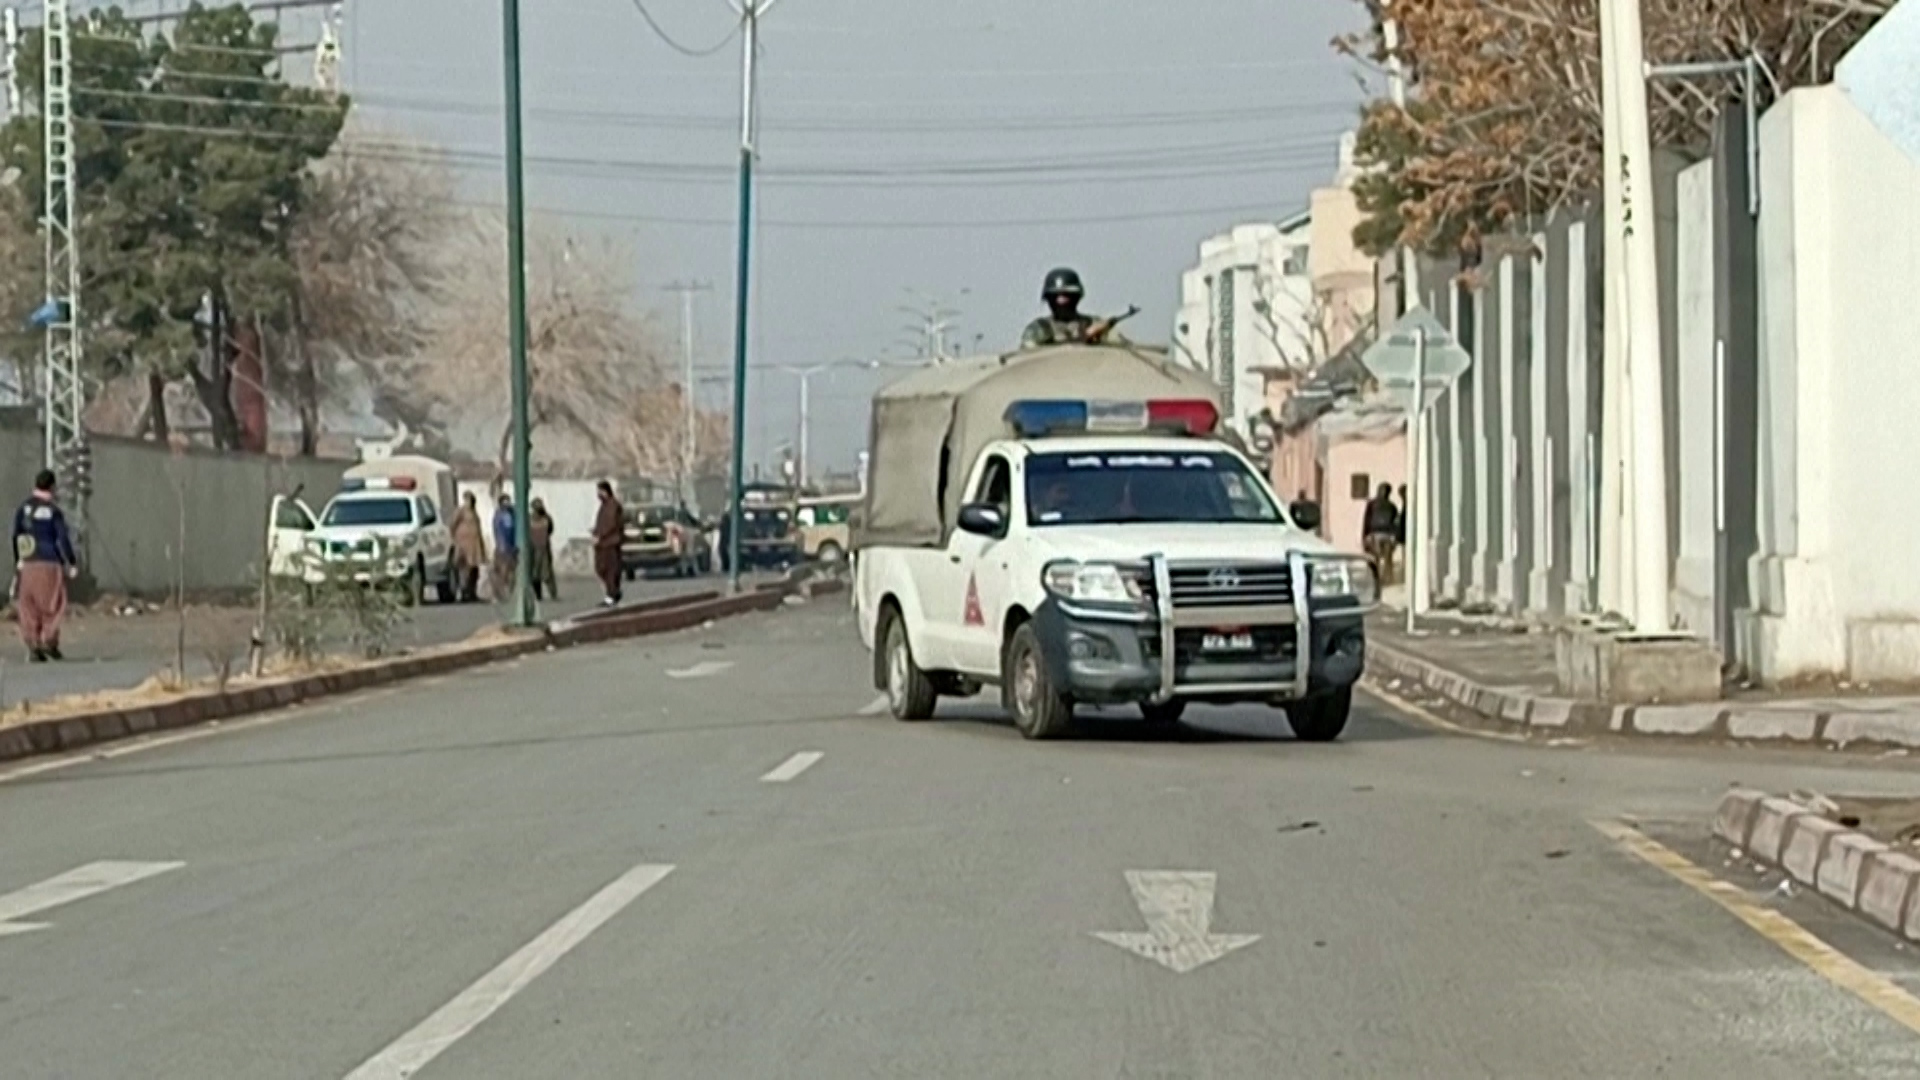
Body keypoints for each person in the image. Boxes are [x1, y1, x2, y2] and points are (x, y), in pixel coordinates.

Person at [11, 469, 79, 662]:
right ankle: (48, 641)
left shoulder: (24, 509)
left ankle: (33, 645)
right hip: (50, 562)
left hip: (29, 561)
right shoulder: (53, 511)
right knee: (52, 604)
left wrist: (19, 559)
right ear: (52, 487)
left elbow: (16, 535)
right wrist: (71, 561)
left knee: (28, 605)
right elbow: (62, 538)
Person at [1020, 267, 1099, 349]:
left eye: (1067, 296)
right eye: (1055, 297)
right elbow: (1028, 354)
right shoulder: (1038, 329)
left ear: (1076, 297)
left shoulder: (1093, 324)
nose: (1061, 302)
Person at [591, 481, 625, 606]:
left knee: (610, 570)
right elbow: (601, 523)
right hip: (602, 544)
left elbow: (611, 524)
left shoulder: (613, 506)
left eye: (600, 491)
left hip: (611, 543)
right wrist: (595, 532)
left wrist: (600, 535)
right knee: (601, 569)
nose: (598, 494)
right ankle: (613, 593)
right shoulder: (604, 506)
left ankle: (611, 595)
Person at [449, 491, 487, 603]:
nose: (469, 502)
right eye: (468, 499)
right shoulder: (461, 512)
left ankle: (472, 592)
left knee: (474, 569)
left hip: (474, 544)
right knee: (465, 569)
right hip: (464, 545)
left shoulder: (474, 512)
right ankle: (464, 592)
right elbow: (452, 525)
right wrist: (456, 539)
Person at [1362, 482, 1401, 585]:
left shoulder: (1374, 504)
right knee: (1384, 559)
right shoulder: (1391, 506)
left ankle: (1379, 579)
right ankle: (1384, 579)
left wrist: (1365, 536)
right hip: (1383, 535)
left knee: (1378, 559)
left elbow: (1367, 520)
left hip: (1378, 534)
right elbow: (1395, 522)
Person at [528, 497, 559, 601]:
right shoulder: (529, 518)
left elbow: (550, 529)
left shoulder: (547, 518)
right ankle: (538, 595)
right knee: (535, 573)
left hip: (544, 548)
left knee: (547, 573)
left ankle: (552, 593)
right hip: (534, 548)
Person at [490, 493, 518, 602]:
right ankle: (500, 593)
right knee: (503, 571)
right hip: (503, 547)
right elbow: (499, 531)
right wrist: (501, 545)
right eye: (505, 501)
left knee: (512, 571)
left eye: (508, 501)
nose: (508, 503)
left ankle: (508, 592)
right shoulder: (500, 515)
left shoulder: (512, 514)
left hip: (511, 546)